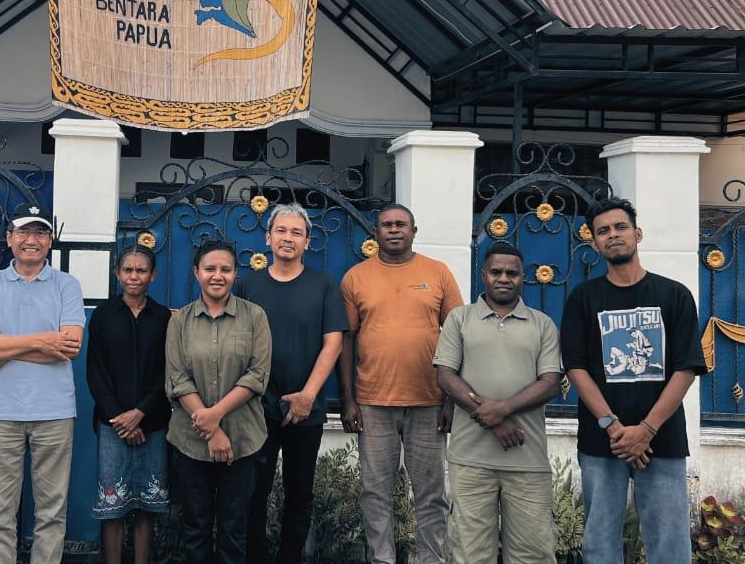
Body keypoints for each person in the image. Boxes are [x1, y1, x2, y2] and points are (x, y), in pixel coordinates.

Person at [560, 197, 706, 564]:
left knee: (669, 543)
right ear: (595, 243)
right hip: (602, 441)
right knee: (600, 542)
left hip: (662, 439)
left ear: (637, 234)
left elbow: (686, 368)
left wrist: (646, 430)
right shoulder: (583, 298)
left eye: (620, 227)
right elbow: (575, 367)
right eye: (603, 231)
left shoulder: (674, 294)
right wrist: (613, 427)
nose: (613, 235)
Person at [337, 202, 463, 564]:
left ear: (413, 231)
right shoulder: (355, 277)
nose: (394, 230)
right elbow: (346, 340)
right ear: (375, 232)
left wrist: (451, 399)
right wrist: (348, 400)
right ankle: (382, 559)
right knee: (374, 492)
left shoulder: (438, 272)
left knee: (431, 494)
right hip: (373, 403)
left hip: (429, 402)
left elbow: (458, 335)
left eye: (401, 224)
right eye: (387, 225)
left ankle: (431, 559)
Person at [0, 204, 85, 564]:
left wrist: (4, 349)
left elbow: (69, 348)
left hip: (54, 411)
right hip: (2, 411)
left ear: (50, 240)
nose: (31, 240)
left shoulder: (67, 285)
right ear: (9, 238)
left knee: (51, 510)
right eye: (24, 232)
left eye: (40, 232)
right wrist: (41, 341)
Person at [434, 241, 562, 563]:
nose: (503, 278)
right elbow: (446, 376)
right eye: (496, 272)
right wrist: (494, 421)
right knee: (470, 554)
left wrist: (501, 411)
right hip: (470, 459)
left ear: (522, 278)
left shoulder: (542, 324)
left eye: (511, 273)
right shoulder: (460, 319)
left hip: (527, 460)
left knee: (533, 554)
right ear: (483, 275)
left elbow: (549, 384)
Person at [234, 204, 346, 564]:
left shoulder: (324, 285)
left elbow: (333, 344)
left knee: (300, 494)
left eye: (296, 232)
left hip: (305, 407)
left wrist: (308, 395)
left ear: (307, 242)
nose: (288, 238)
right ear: (268, 238)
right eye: (281, 230)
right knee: (254, 492)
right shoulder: (247, 285)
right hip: (255, 408)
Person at [166, 240, 271, 564]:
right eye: (209, 268)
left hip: (242, 439)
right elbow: (177, 378)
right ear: (196, 272)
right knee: (195, 530)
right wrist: (212, 430)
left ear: (235, 273)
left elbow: (257, 375)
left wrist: (215, 417)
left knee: (233, 532)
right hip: (190, 441)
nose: (217, 275)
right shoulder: (180, 321)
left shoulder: (255, 317)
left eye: (225, 269)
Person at [85, 245, 171, 564]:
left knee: (147, 505)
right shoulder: (103, 316)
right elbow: (96, 372)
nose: (134, 276)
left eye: (141, 270)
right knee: (113, 506)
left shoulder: (163, 318)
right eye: (128, 270)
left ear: (153, 275)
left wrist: (141, 413)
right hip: (113, 426)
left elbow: (168, 371)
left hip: (153, 423)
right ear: (117, 274)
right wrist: (120, 417)